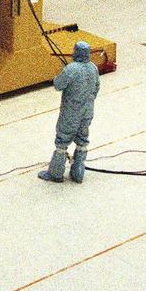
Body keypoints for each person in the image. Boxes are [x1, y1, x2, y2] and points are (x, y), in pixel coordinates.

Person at [38, 39, 100, 184]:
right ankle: (78, 173)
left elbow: (58, 85)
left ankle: (56, 173)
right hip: (88, 111)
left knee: (62, 141)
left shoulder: (71, 69)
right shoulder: (93, 68)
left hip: (71, 112)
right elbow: (96, 87)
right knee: (82, 141)